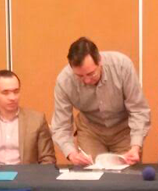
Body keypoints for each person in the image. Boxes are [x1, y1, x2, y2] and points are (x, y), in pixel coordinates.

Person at [51, 37, 150, 166]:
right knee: (92, 173)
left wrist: (136, 146)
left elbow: (138, 110)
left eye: (91, 74)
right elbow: (61, 126)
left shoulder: (122, 66)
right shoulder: (64, 81)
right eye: (80, 76)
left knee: (126, 174)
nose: (87, 80)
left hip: (124, 130)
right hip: (90, 131)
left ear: (100, 61)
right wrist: (71, 154)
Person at [0, 70, 56, 168]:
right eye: (5, 92)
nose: (12, 97)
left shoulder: (37, 120)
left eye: (16, 92)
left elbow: (47, 158)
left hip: (25, 174)